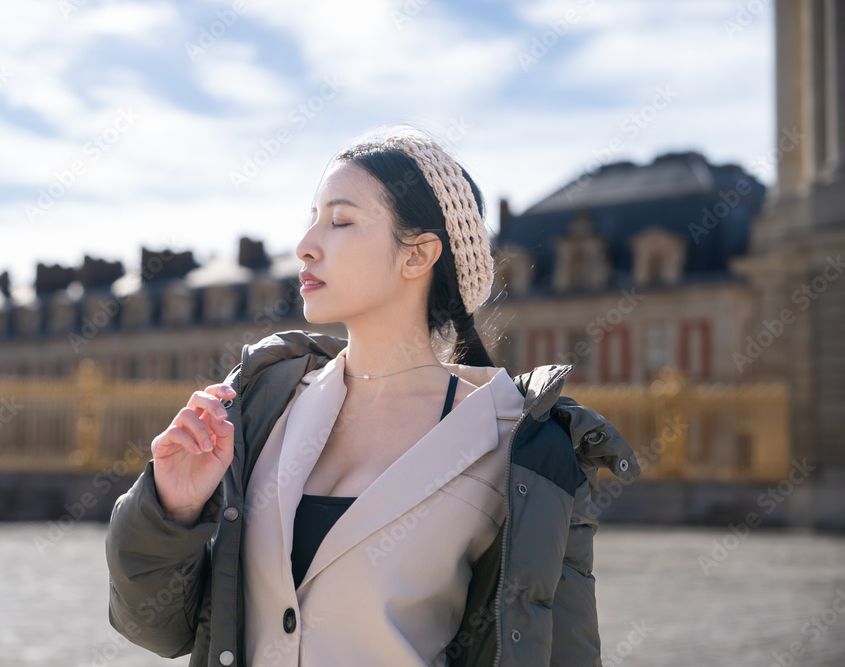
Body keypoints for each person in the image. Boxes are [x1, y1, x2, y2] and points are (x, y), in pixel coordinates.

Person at [104, 127, 641, 666]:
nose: (305, 244)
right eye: (312, 218)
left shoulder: (517, 446)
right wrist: (171, 511)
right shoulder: (265, 406)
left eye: (340, 221)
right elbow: (160, 629)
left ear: (418, 255)